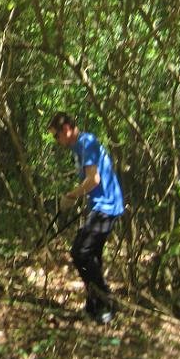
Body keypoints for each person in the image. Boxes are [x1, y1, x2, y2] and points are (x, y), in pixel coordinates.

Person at [47, 112, 124, 325]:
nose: (57, 141)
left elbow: (94, 180)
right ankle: (94, 308)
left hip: (107, 207)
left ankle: (107, 302)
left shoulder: (86, 142)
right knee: (93, 257)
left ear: (66, 130)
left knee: (80, 252)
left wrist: (71, 196)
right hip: (100, 206)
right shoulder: (78, 148)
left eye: (56, 136)